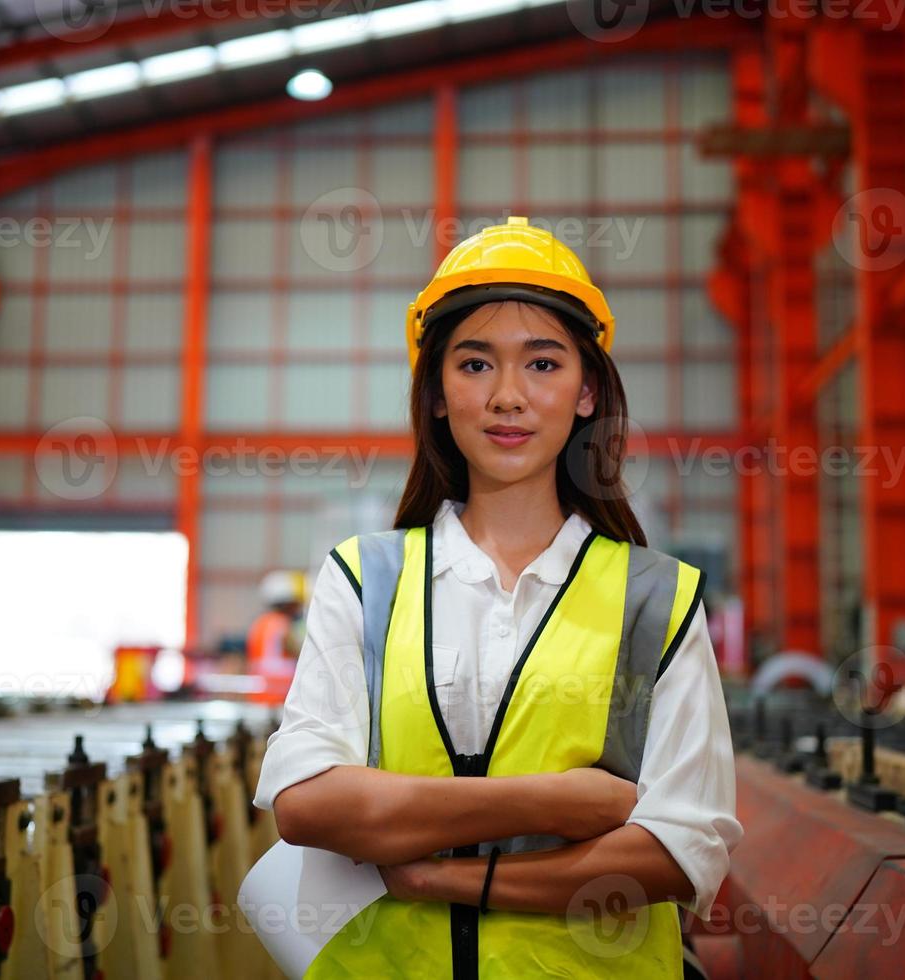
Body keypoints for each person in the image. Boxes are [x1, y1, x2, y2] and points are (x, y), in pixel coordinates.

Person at [252, 217, 742, 977]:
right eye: (475, 364)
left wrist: (447, 877)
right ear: (439, 394)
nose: (508, 396)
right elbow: (308, 805)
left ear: (586, 392)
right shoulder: (366, 580)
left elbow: (680, 853)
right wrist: (554, 803)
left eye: (542, 364)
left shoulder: (657, 600)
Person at [245, 570, 306, 703]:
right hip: (280, 693)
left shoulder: (259, 624)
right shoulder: (282, 625)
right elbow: (299, 652)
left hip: (260, 692)